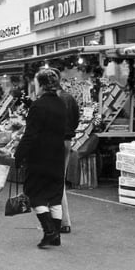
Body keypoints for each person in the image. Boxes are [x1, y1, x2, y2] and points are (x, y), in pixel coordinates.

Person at [15, 68, 67, 248]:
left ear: (42, 85)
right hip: (58, 155)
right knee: (54, 196)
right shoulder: (62, 104)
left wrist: (19, 154)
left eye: (36, 84)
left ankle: (49, 231)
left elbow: (30, 135)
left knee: (34, 194)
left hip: (39, 157)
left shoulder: (38, 106)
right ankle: (57, 235)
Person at [55, 74, 79, 235]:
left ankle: (60, 221)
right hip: (67, 140)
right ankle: (62, 221)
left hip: (54, 142)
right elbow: (76, 120)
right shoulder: (70, 98)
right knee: (59, 180)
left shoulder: (52, 101)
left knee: (54, 181)